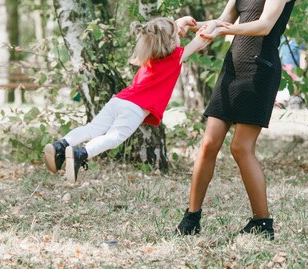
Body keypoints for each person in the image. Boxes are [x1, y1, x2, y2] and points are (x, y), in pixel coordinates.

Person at [177, 0, 300, 240]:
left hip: (260, 70)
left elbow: (264, 24)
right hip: (232, 67)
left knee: (241, 148)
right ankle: (191, 217)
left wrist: (223, 29)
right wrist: (191, 34)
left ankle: (263, 222)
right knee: (208, 143)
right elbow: (221, 22)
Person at [43, 16, 208, 183]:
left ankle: (60, 145)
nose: (180, 37)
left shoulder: (149, 54)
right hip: (136, 107)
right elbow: (201, 40)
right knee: (114, 138)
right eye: (177, 36)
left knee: (93, 128)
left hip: (119, 100)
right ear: (171, 41)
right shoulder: (175, 57)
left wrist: (179, 24)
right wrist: (218, 24)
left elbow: (162, 32)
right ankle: (81, 153)